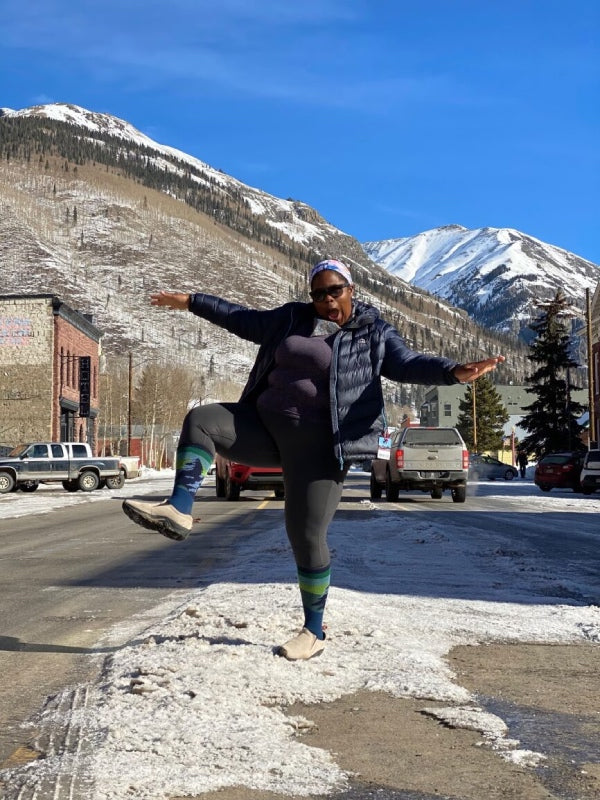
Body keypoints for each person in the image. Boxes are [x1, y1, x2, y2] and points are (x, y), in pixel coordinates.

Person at [122, 259, 505, 660]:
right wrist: (191, 302)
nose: (326, 300)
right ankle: (180, 508)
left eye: (334, 290)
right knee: (202, 420)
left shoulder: (373, 333)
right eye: (318, 293)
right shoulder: (291, 318)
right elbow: (240, 318)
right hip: (264, 428)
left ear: (351, 289)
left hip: (320, 447)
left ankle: (313, 631)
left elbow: (408, 364)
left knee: (305, 536)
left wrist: (453, 372)